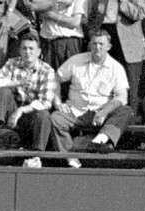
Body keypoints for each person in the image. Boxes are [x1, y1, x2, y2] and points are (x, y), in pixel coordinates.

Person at [48, 28, 135, 163]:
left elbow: (122, 97)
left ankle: (100, 140)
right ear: (89, 45)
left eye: (101, 44)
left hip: (101, 113)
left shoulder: (116, 68)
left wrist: (104, 112)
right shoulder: (76, 61)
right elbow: (55, 79)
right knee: (55, 118)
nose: (97, 47)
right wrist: (58, 103)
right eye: (94, 43)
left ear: (109, 47)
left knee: (126, 111)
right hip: (75, 111)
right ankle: (70, 158)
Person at [0, 33, 59, 155]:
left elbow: (45, 102)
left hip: (30, 112)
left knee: (44, 115)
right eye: (24, 48)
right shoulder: (12, 63)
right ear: (19, 50)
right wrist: (17, 82)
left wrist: (21, 110)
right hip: (11, 109)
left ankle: (37, 155)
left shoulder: (47, 70)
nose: (27, 52)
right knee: (3, 91)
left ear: (39, 52)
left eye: (31, 49)